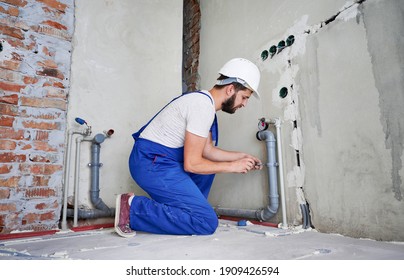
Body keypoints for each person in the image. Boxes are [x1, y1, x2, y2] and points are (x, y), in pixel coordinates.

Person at [115, 58, 263, 237]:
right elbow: (192, 164)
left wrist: (241, 157)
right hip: (151, 162)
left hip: (159, 161)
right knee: (206, 222)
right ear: (230, 89)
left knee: (207, 168)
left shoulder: (205, 105)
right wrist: (232, 167)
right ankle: (132, 208)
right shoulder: (201, 106)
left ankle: (186, 210)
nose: (244, 104)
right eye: (244, 97)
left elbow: (207, 151)